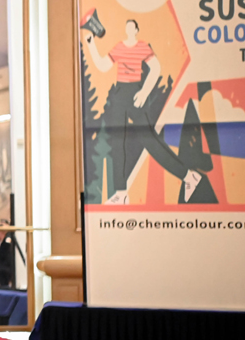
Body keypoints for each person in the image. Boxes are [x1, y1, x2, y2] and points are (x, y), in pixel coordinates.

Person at [83, 17, 203, 203]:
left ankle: (189, 176)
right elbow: (104, 66)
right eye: (127, 27)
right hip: (120, 93)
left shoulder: (142, 47)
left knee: (149, 139)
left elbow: (156, 68)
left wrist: (145, 92)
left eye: (132, 27)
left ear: (137, 30)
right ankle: (121, 194)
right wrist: (91, 45)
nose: (129, 30)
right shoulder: (119, 47)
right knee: (117, 142)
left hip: (135, 93)